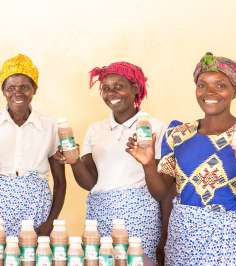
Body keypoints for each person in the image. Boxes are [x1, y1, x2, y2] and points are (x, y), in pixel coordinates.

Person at [127, 52, 236, 265]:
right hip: (183, 241)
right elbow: (162, 192)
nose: (209, 92)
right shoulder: (178, 134)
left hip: (231, 244)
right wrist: (147, 164)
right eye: (202, 85)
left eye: (220, 85)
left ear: (235, 90)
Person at [60, 62, 171, 263]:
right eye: (106, 88)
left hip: (140, 213)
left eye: (118, 86)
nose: (111, 93)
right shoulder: (96, 129)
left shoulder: (155, 127)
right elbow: (90, 182)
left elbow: (164, 188)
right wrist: (75, 162)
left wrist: (165, 235)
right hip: (100, 212)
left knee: (139, 260)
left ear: (135, 88)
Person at [0, 54, 66, 236]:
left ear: (34, 89)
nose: (17, 92)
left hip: (36, 208)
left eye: (25, 87)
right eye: (10, 87)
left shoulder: (50, 126)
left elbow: (60, 182)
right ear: (3, 91)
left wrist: (50, 222)